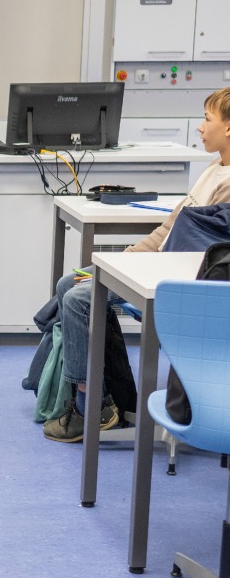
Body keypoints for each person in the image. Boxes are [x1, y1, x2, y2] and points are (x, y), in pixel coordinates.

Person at [44, 86, 230, 442]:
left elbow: (205, 261)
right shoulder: (215, 168)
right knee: (71, 283)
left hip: (182, 285)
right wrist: (121, 261)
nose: (200, 128)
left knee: (79, 300)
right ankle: (117, 399)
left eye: (207, 119)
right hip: (160, 269)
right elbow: (171, 227)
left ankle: (91, 407)